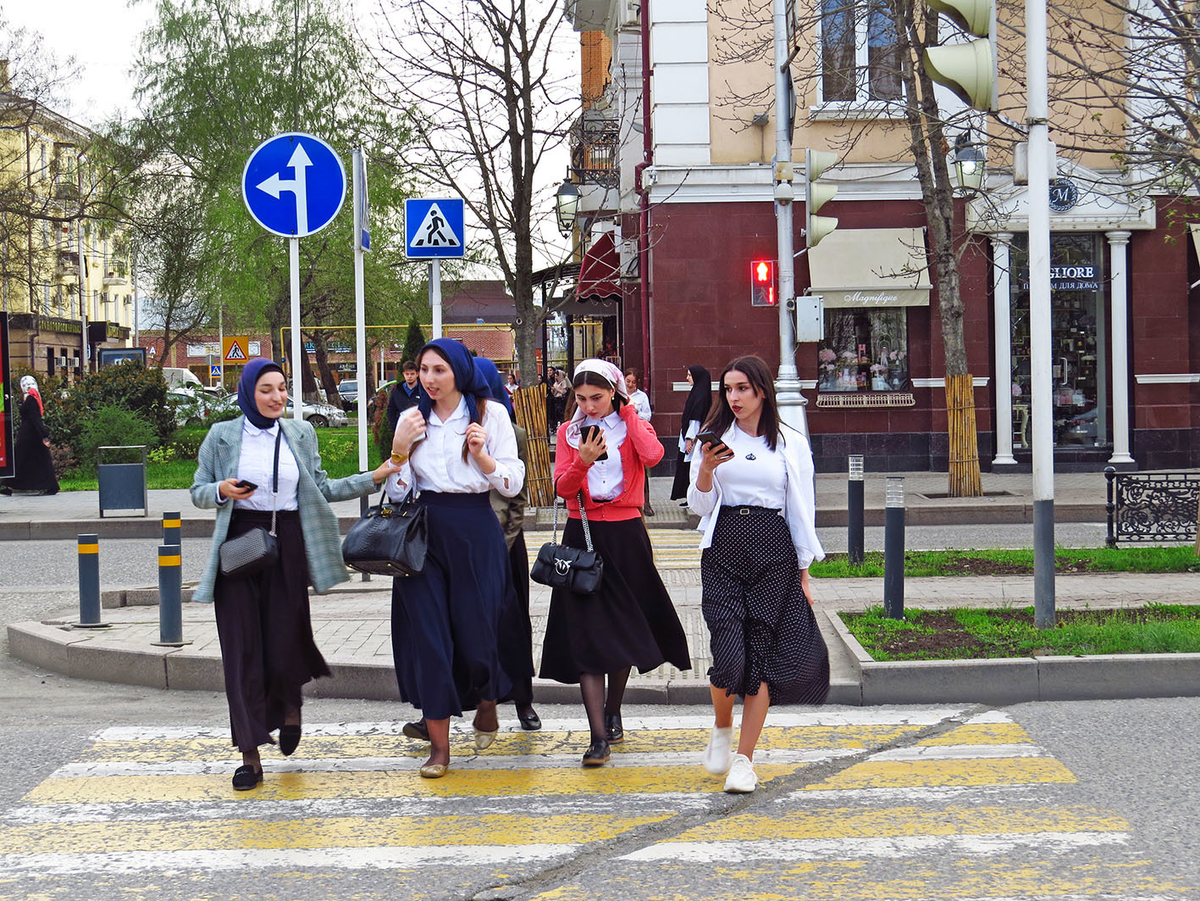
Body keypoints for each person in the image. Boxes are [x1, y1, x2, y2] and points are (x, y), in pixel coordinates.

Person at [190, 358, 397, 790]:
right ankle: (249, 756)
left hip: (287, 543)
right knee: (241, 649)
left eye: (282, 389)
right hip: (240, 546)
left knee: (285, 639)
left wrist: (373, 478)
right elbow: (197, 492)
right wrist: (221, 490)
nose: (277, 397)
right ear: (248, 392)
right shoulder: (222, 436)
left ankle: (290, 707)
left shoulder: (300, 433)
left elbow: (321, 490)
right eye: (267, 390)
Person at [687, 355, 830, 794]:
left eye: (742, 389)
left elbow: (801, 507)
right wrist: (707, 470)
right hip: (725, 546)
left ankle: (745, 761)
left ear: (762, 391)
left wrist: (804, 569)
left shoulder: (788, 441)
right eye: (728, 390)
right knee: (729, 657)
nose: (733, 398)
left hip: (774, 550)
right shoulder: (713, 439)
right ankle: (721, 725)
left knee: (761, 657)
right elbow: (698, 506)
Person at [540, 359, 690, 766]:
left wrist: (626, 412)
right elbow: (561, 489)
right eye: (581, 398)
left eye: (598, 397)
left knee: (623, 628)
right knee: (588, 635)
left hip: (626, 535)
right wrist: (581, 460)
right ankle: (598, 737)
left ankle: (614, 708)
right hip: (583, 535)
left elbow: (655, 456)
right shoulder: (568, 432)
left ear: (614, 392)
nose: (589, 406)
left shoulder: (630, 424)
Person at [387, 338, 525, 778]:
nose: (428, 379)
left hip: (475, 531)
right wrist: (399, 451)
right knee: (429, 638)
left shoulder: (491, 414)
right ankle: (440, 749)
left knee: (478, 632)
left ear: (459, 373)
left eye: (438, 371)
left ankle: (487, 702)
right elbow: (397, 492)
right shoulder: (410, 419)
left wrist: (482, 456)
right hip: (423, 534)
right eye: (424, 370)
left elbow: (512, 485)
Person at [1, 376, 59, 496]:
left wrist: (44, 435)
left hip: (29, 435)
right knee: (35, 460)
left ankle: (8, 485)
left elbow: (35, 418)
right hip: (32, 434)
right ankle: (10, 485)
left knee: (20, 458)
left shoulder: (30, 399)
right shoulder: (34, 397)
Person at [669, 365, 712, 502]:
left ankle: (693, 498)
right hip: (690, 436)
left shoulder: (700, 395)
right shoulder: (698, 392)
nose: (687, 378)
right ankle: (689, 497)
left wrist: (689, 439)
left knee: (691, 467)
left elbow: (695, 419)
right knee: (686, 467)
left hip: (693, 438)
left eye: (689, 375)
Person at [624, 368, 655, 517]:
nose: (630, 385)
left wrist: (635, 412)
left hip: (638, 435)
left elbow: (647, 416)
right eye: (628, 381)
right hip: (623, 436)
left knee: (642, 471)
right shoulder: (618, 395)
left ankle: (646, 503)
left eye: (633, 382)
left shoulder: (642, 397)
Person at [387, 360, 423, 436]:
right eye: (407, 374)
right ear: (403, 374)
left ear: (417, 374)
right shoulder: (397, 390)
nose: (409, 376)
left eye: (412, 374)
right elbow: (391, 410)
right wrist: (396, 426)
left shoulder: (423, 390)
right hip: (401, 430)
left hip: (420, 430)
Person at [549, 368, 571, 432]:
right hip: (556, 399)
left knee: (561, 414)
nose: (556, 377)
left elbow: (564, 391)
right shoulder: (556, 382)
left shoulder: (563, 382)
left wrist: (556, 389)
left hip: (561, 400)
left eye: (557, 376)